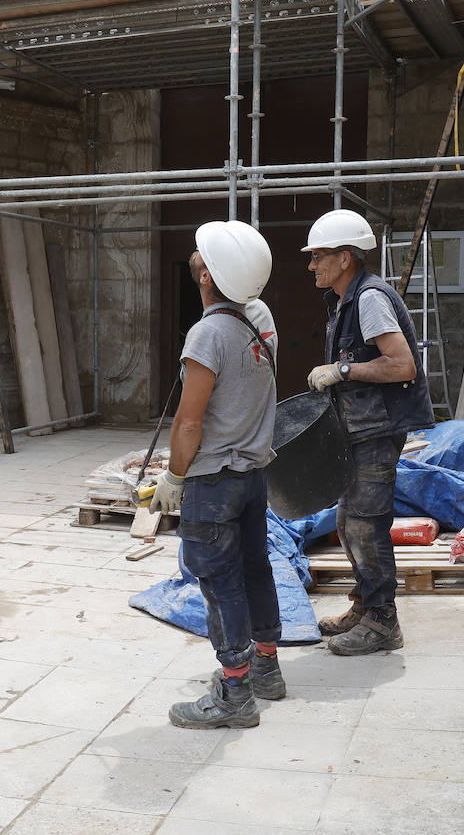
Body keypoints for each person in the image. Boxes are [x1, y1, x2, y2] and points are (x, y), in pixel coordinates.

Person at [149, 220, 281, 730]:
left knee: (219, 582)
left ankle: (235, 691)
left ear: (206, 277)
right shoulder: (259, 324)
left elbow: (188, 420)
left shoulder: (208, 333)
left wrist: (175, 477)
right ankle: (267, 665)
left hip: (214, 481)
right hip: (253, 476)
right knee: (255, 568)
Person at [302, 209, 434, 655]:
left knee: (365, 524)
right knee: (348, 522)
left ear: (345, 258)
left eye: (318, 256)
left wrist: (342, 369)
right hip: (359, 428)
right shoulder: (345, 299)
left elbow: (402, 365)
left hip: (377, 430)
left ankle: (383, 622)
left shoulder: (369, 298)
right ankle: (364, 605)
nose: (311, 265)